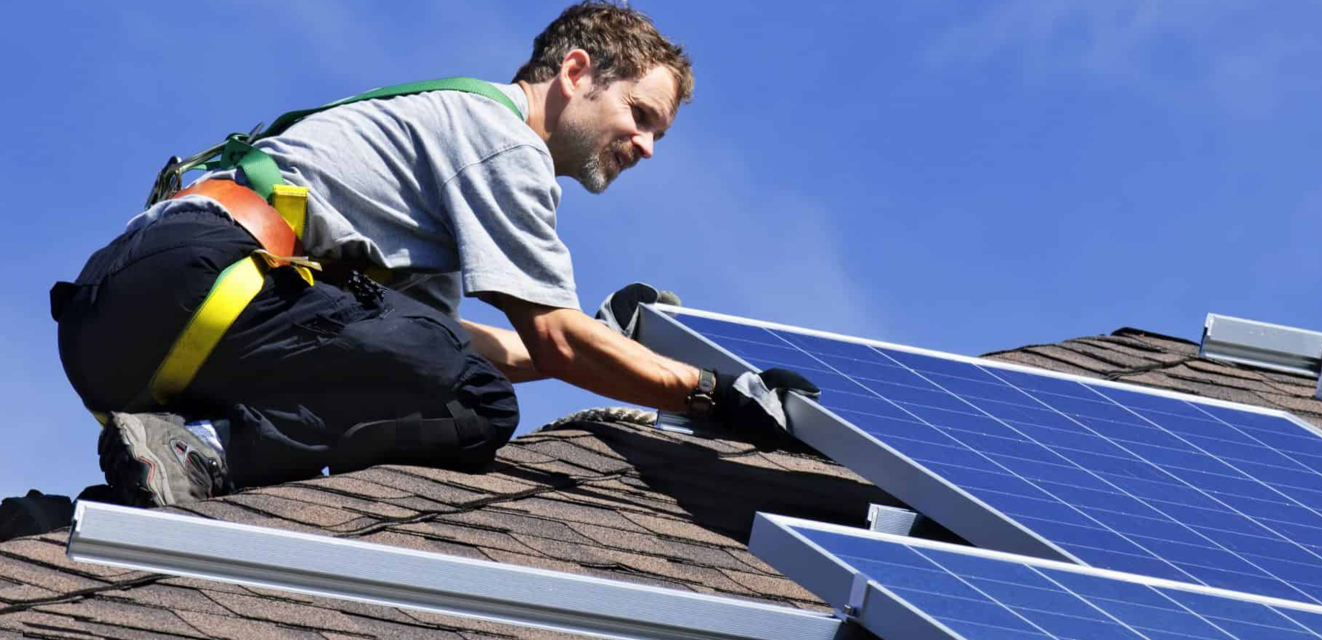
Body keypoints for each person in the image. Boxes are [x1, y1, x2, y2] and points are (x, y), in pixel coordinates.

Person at [51, 1, 817, 509]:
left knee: (452, 369)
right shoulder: (504, 143)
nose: (647, 146)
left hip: (118, 322)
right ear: (576, 72)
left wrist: (598, 350)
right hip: (205, 287)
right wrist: (713, 393)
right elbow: (541, 338)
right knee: (476, 405)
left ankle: (65, 516)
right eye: (640, 116)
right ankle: (206, 448)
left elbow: (443, 343)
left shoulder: (438, 149)